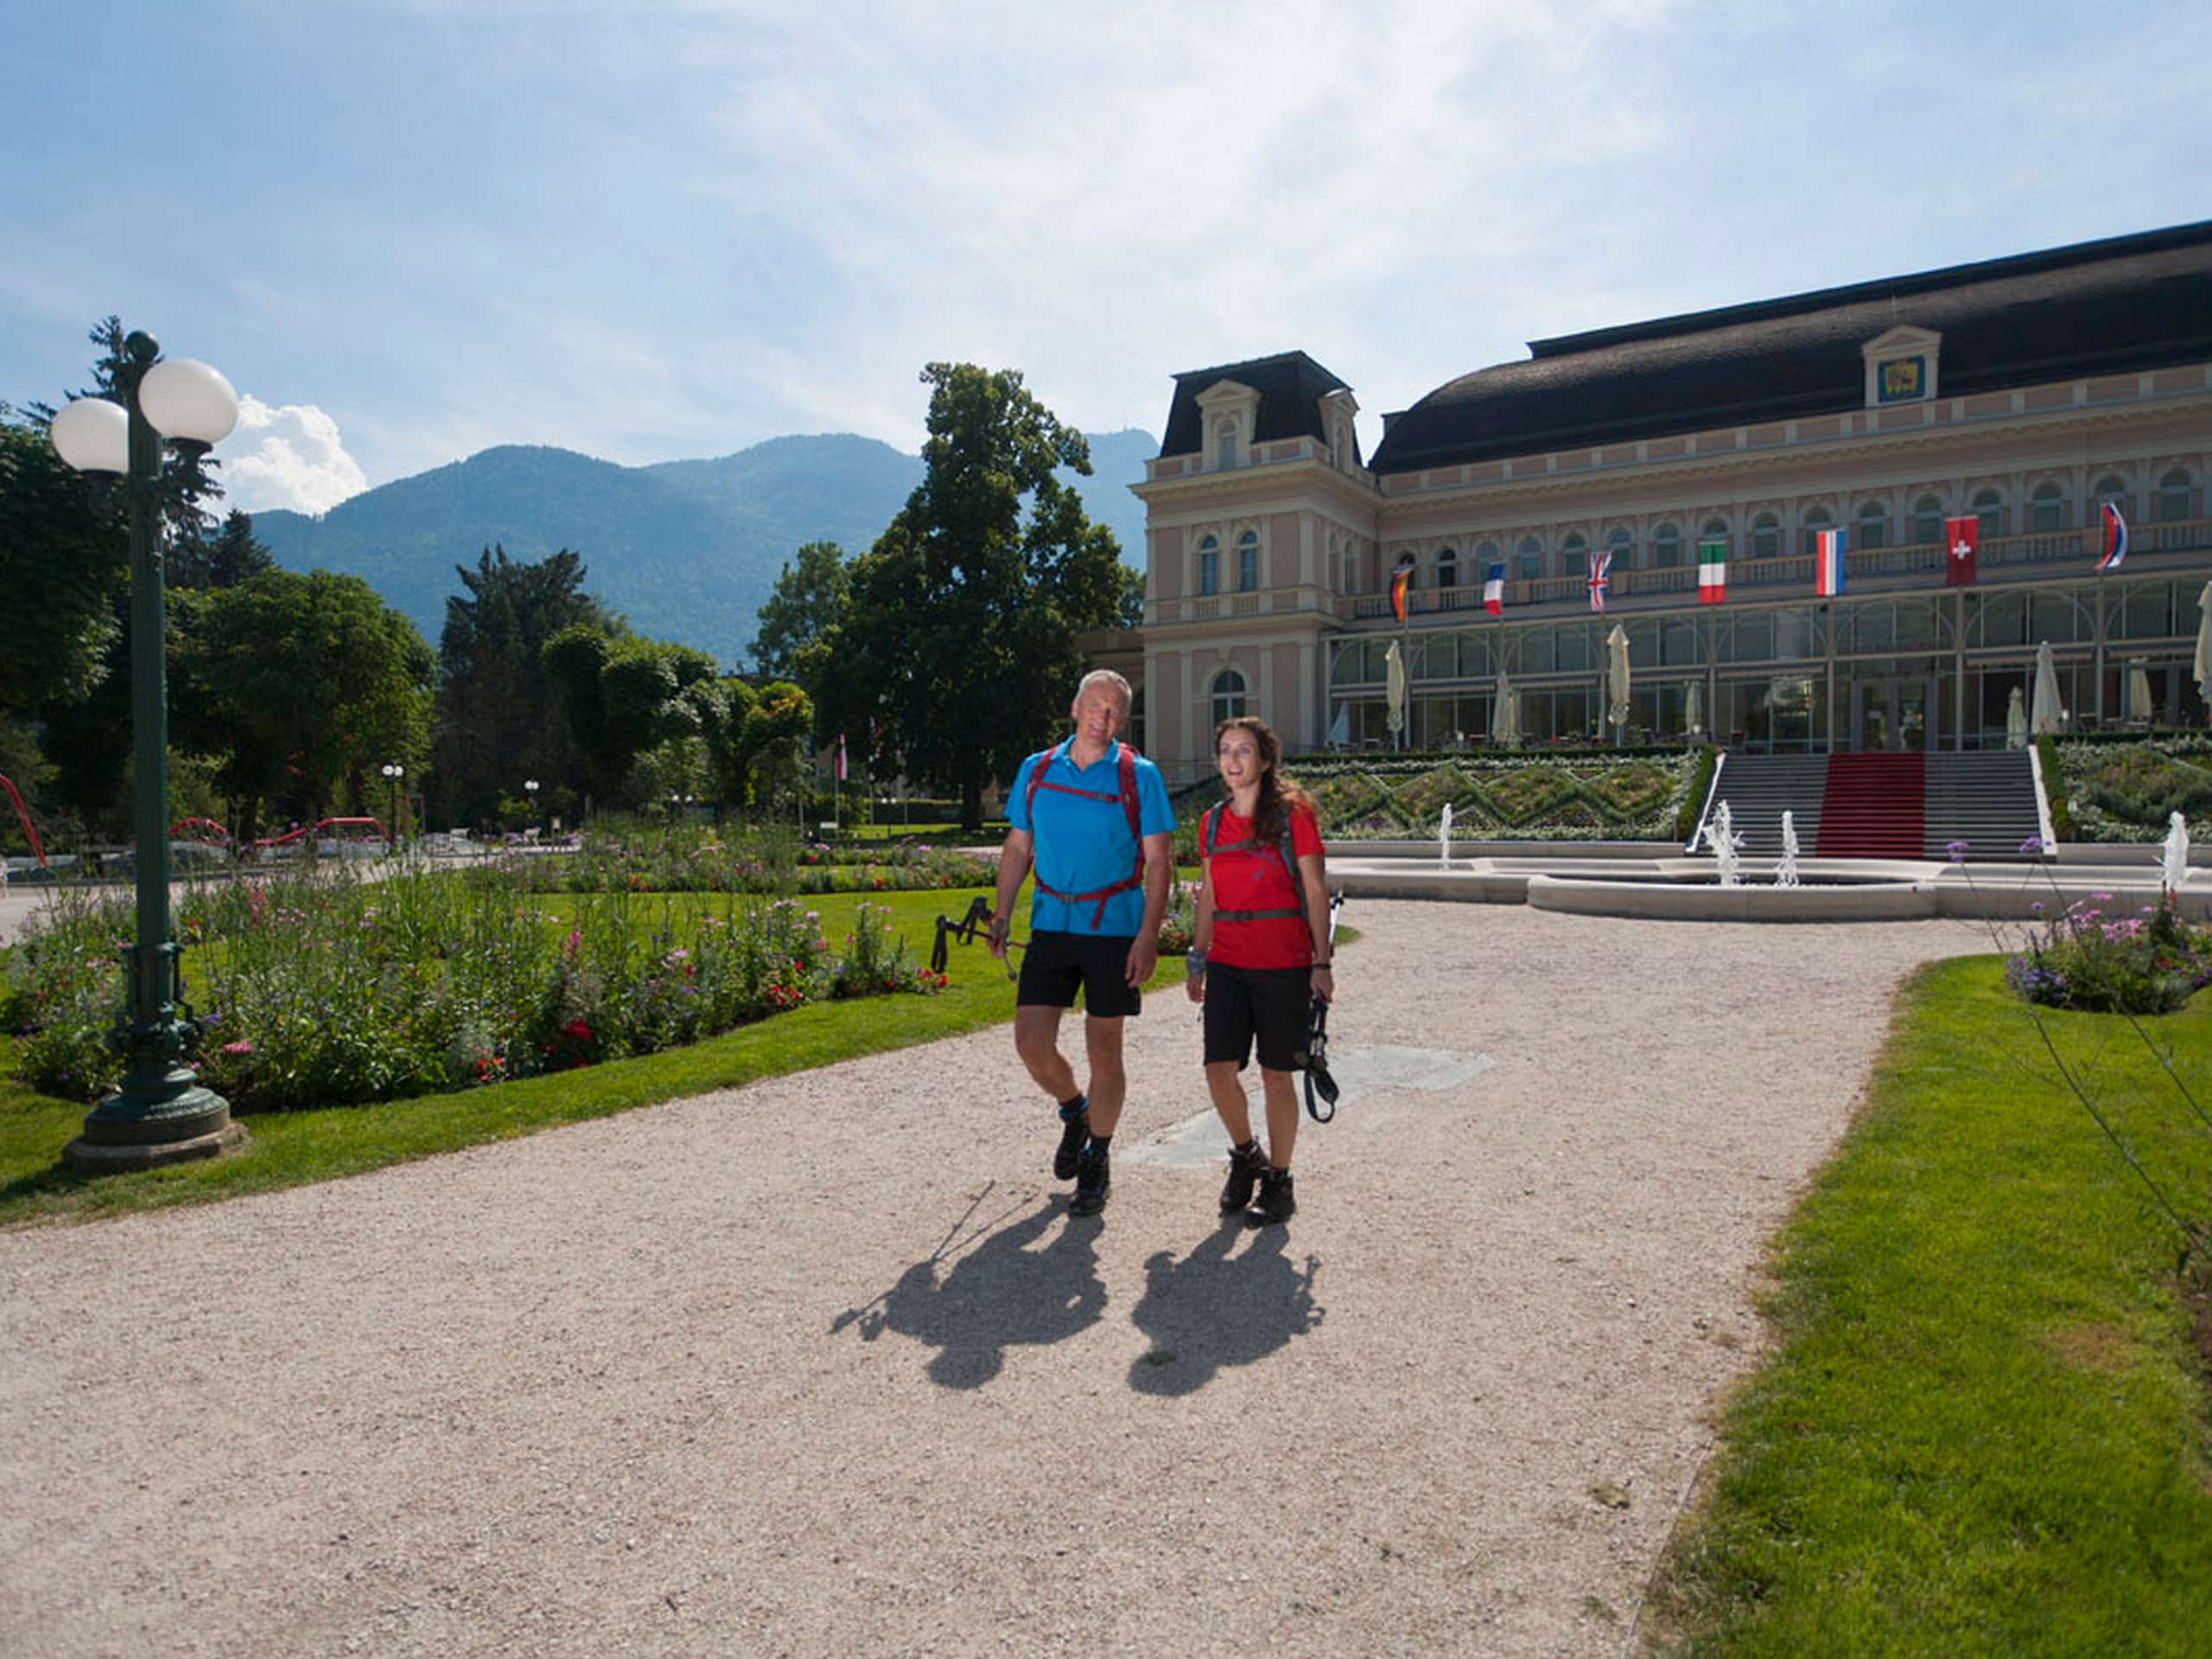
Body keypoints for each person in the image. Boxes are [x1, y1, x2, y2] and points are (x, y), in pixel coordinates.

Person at [990, 670, 1175, 1217]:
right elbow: (1018, 848)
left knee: (1105, 1050)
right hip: (1051, 924)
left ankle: (1098, 1157)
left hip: (1114, 930)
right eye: (1094, 706)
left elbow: (1161, 862)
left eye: (1114, 709)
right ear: (1074, 708)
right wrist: (1002, 912)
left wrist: (1148, 935)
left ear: (1124, 718)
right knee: (1030, 1042)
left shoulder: (1139, 776)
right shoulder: (1038, 770)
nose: (1103, 716)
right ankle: (1074, 1110)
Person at [1185, 715, 1332, 1227]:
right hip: (1227, 961)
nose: (1233, 759)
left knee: (1276, 1076)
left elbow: (1315, 893)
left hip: (1284, 964)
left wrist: (1322, 962)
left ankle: (1281, 1181)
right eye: (1225, 750)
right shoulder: (1211, 822)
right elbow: (1207, 897)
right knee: (1217, 1069)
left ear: (1265, 761)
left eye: (1244, 750)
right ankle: (1247, 1154)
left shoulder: (1295, 817)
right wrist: (1197, 956)